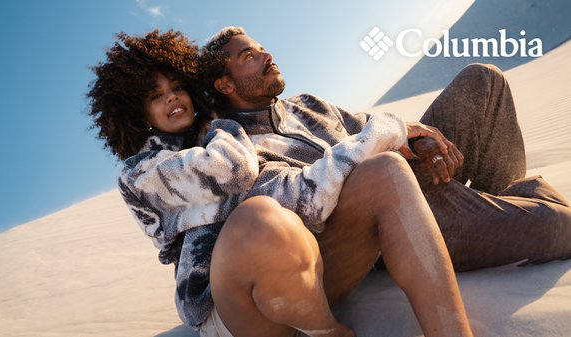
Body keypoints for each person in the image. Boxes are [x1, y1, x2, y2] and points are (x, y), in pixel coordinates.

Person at [88, 29, 474, 337]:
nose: (173, 99)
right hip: (232, 312)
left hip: (300, 280)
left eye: (177, 87)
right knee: (256, 218)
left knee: (384, 172)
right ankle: (328, 333)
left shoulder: (221, 138)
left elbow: (295, 195)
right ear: (138, 115)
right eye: (157, 97)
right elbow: (235, 171)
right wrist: (220, 126)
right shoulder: (145, 173)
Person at [198, 24, 571, 329]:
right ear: (225, 85)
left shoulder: (307, 105)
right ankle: (520, 206)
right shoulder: (233, 145)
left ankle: (501, 203)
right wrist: (382, 144)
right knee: (560, 224)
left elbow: (372, 127)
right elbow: (306, 203)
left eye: (262, 47)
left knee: (484, 80)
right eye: (249, 56)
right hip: (390, 224)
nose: (267, 55)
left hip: (408, 177)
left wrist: (418, 139)